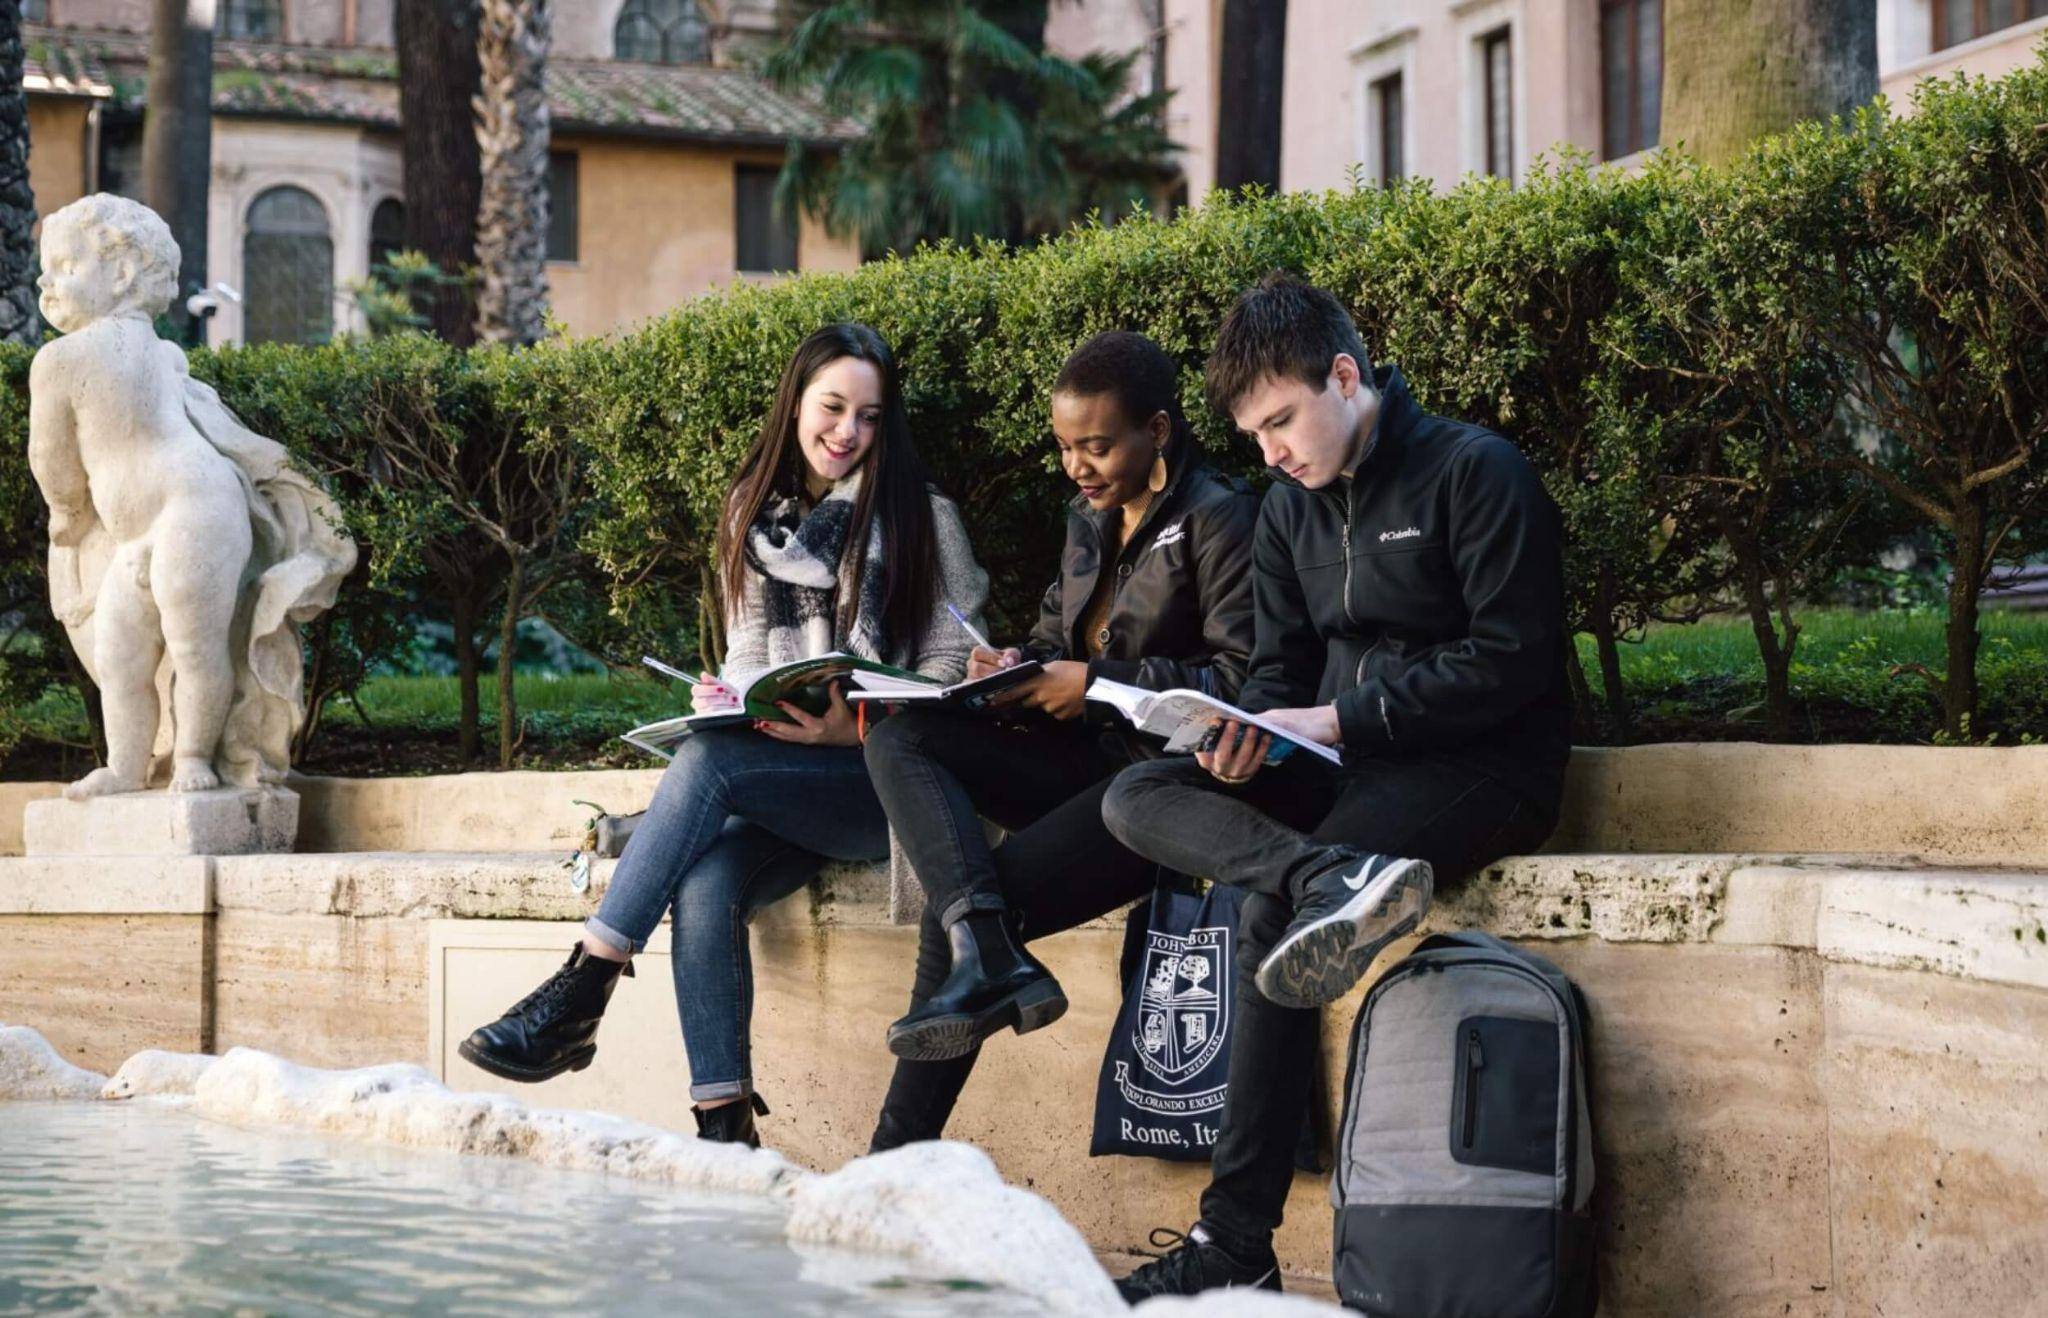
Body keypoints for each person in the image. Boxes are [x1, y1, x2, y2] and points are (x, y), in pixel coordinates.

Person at [1102, 274, 1573, 1300]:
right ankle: (1333, 877)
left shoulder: (1474, 471)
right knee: (1134, 800)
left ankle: (1232, 1239)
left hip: (1482, 767)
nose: (1269, 451)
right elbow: (1277, 673)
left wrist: (1333, 719)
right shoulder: (1283, 511)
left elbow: (1509, 662)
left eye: (1281, 420)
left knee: (1265, 902)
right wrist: (1246, 738)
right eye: (1253, 432)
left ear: (1345, 377)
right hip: (1338, 774)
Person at [459, 323, 989, 1148]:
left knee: (707, 766)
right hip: (783, 779)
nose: (848, 431)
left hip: (886, 788)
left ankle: (583, 987)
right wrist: (732, 695)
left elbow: (956, 671)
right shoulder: (752, 517)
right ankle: (724, 1128)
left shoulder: (924, 519)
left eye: (871, 416)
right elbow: (747, 651)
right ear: (797, 406)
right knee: (705, 882)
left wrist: (850, 729)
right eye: (834, 407)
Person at [861, 330, 1259, 1151]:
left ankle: (890, 1161)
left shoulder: (1221, 520)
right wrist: (1013, 663)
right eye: (1066, 447)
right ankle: (988, 953)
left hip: (1159, 791)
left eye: (1098, 446)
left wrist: (1099, 688)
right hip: (1078, 759)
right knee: (905, 739)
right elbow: (1058, 639)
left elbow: (1243, 687)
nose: (1078, 466)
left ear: (1158, 429)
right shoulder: (1088, 520)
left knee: (963, 912)